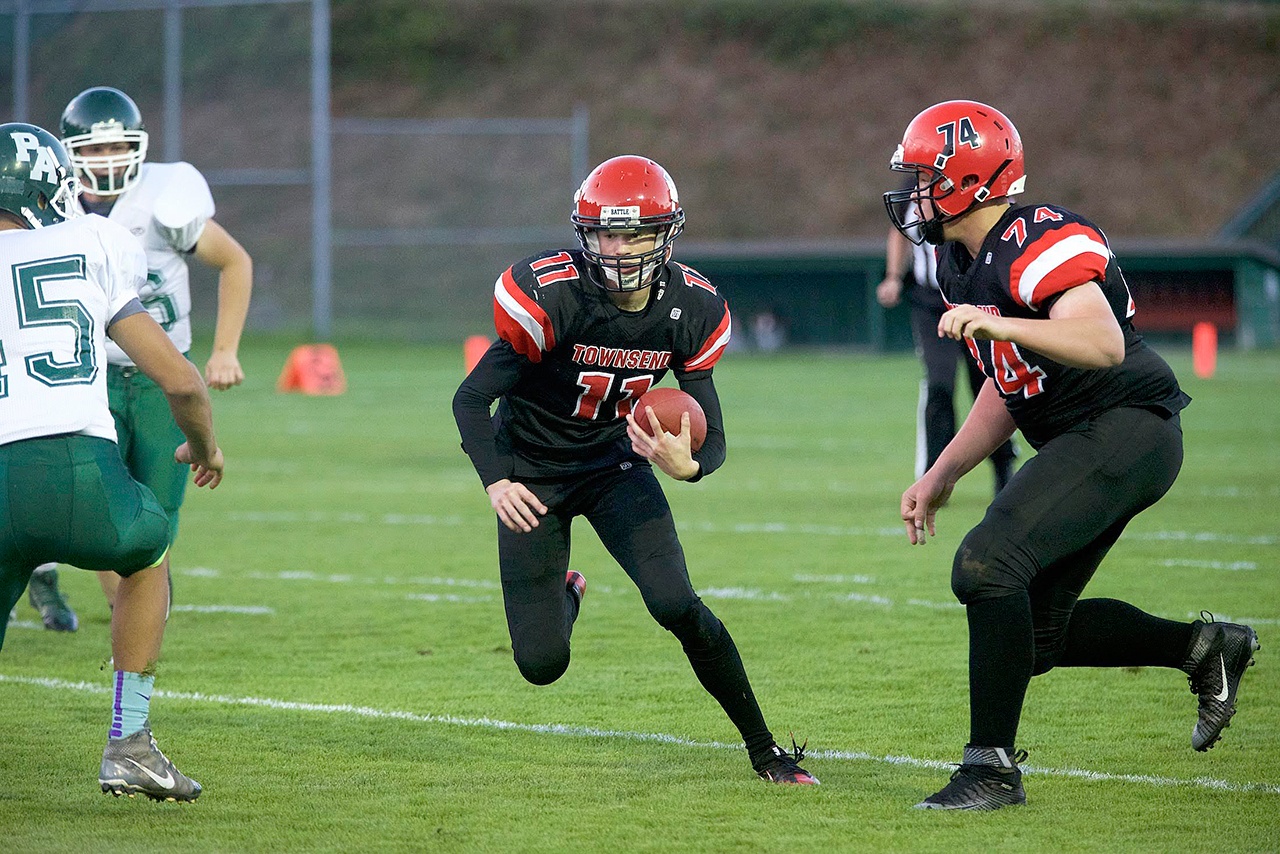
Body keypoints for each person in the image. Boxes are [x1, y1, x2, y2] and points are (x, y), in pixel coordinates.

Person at [885, 100, 1260, 810]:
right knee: (1035, 636)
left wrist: (1006, 325)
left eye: (925, 177)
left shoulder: (1034, 236)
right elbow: (1011, 384)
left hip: (1127, 423)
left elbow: (1101, 343)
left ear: (969, 181)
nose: (912, 195)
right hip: (1084, 433)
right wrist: (940, 474)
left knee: (985, 563)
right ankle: (1205, 648)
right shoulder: (961, 262)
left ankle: (990, 771)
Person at [453, 155, 817, 785]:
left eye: (633, 234)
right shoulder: (552, 295)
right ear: (584, 234)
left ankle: (766, 751)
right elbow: (469, 399)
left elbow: (714, 434)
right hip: (532, 473)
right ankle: (566, 590)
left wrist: (690, 466)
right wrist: (497, 479)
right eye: (603, 234)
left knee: (677, 603)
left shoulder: (690, 308)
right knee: (541, 664)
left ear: (665, 234)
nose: (616, 249)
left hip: (614, 464)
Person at [0, 123, 224, 801]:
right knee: (147, 551)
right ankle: (128, 742)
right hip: (79, 470)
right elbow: (182, 381)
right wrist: (205, 447)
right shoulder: (93, 241)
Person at [21, 86, 252, 623]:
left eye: (115, 147)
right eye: (94, 150)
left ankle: (135, 592)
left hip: (159, 372)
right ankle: (109, 597)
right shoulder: (47, 209)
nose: (106, 160)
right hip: (88, 372)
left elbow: (235, 261)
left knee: (162, 500)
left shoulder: (165, 200)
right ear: (70, 151)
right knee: (100, 496)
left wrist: (225, 350)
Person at [877, 204, 1017, 493]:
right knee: (940, 383)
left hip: (971, 297)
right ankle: (934, 474)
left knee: (989, 381)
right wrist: (893, 275)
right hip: (929, 303)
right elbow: (899, 232)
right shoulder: (911, 191)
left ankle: (1004, 468)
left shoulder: (965, 184)